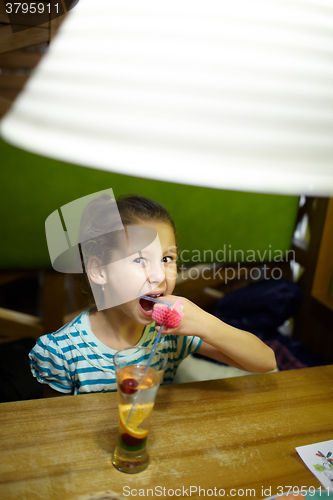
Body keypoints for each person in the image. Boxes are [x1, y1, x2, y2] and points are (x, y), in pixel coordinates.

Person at [29, 194, 276, 397]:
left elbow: (265, 362)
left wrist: (204, 323)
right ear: (99, 271)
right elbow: (56, 427)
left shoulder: (173, 335)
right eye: (139, 259)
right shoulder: (61, 353)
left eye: (166, 259)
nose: (159, 275)